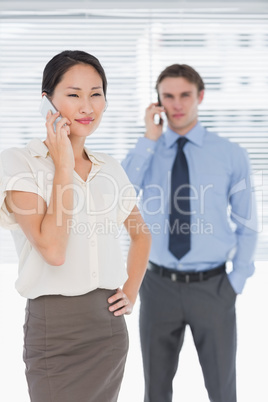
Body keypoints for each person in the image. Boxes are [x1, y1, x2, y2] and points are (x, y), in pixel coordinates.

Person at [0, 50, 151, 402]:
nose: (87, 106)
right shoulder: (20, 164)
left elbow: (141, 233)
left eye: (96, 93)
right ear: (47, 103)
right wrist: (64, 165)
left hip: (108, 329)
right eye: (73, 94)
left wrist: (131, 290)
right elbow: (53, 250)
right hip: (56, 332)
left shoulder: (109, 167)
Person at [122, 63, 258, 402]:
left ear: (200, 96)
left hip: (213, 288)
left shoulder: (230, 154)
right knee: (155, 390)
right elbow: (119, 193)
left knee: (222, 390)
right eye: (168, 96)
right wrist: (148, 140)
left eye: (185, 95)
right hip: (157, 288)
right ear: (158, 103)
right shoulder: (147, 150)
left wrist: (236, 280)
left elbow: (247, 221)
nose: (177, 104)